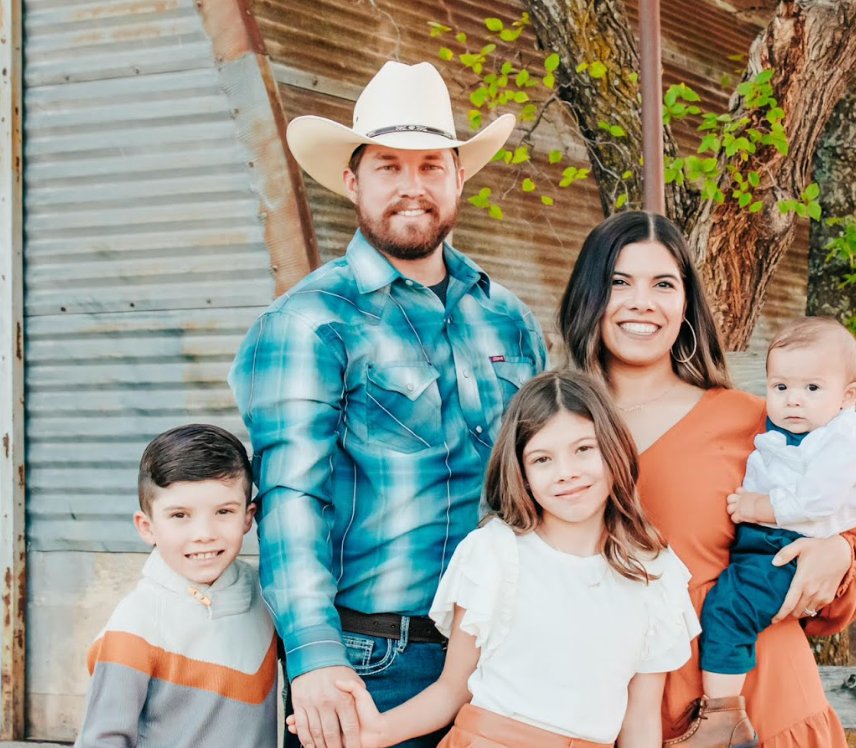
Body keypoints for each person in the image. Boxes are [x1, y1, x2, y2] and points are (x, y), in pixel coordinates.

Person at [229, 60, 547, 748]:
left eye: (432, 165)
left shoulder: (510, 320)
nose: (413, 187)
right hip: (375, 660)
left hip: (507, 656)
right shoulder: (309, 321)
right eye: (388, 167)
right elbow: (291, 498)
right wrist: (313, 654)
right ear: (352, 181)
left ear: (460, 177)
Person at [557, 210, 856, 748]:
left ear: (686, 305)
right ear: (589, 293)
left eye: (663, 284)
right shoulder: (552, 426)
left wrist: (838, 553)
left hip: (758, 704)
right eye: (619, 282)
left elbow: (846, 538)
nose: (642, 301)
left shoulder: (757, 421)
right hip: (607, 713)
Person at [290, 370, 701, 747]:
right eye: (543, 458)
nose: (566, 472)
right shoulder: (495, 553)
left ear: (614, 450)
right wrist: (376, 733)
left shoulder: (654, 571)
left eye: (583, 449)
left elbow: (641, 719)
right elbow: (453, 689)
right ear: (521, 473)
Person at [698, 316, 856, 745]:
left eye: (811, 389)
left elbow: (820, 504)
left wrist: (759, 506)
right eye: (781, 388)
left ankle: (721, 720)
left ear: (847, 396)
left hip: (785, 546)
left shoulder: (841, 435)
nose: (793, 401)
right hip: (765, 544)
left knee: (729, 609)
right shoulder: (786, 429)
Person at [75, 424, 276, 748]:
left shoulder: (267, 595)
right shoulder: (135, 624)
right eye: (180, 515)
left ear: (248, 517)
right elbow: (102, 739)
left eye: (223, 511)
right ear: (147, 526)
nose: (203, 533)